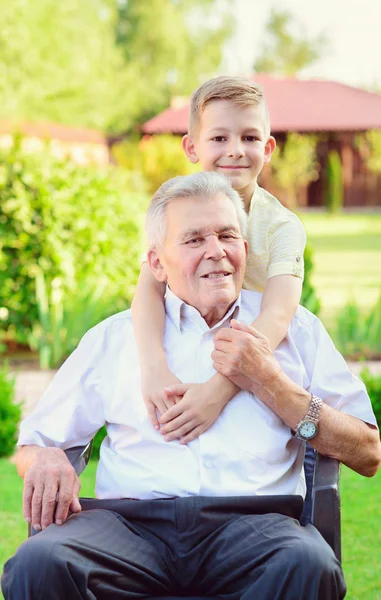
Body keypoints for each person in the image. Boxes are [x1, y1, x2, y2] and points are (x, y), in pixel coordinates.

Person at [2, 172, 380, 600]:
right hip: (130, 528)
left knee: (308, 565)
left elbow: (367, 452)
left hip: (256, 528)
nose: (216, 252)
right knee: (39, 563)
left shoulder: (297, 331)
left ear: (245, 248)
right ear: (157, 264)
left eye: (227, 236)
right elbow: (31, 446)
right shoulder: (115, 338)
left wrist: (274, 385)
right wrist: (46, 458)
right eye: (194, 240)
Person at [132, 76, 307, 443]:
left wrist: (216, 392)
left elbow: (276, 316)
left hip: (263, 373)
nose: (235, 150)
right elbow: (148, 289)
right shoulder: (172, 211)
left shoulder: (282, 227)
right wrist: (153, 368)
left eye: (250, 138)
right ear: (192, 147)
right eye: (218, 138)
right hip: (190, 352)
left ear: (269, 147)